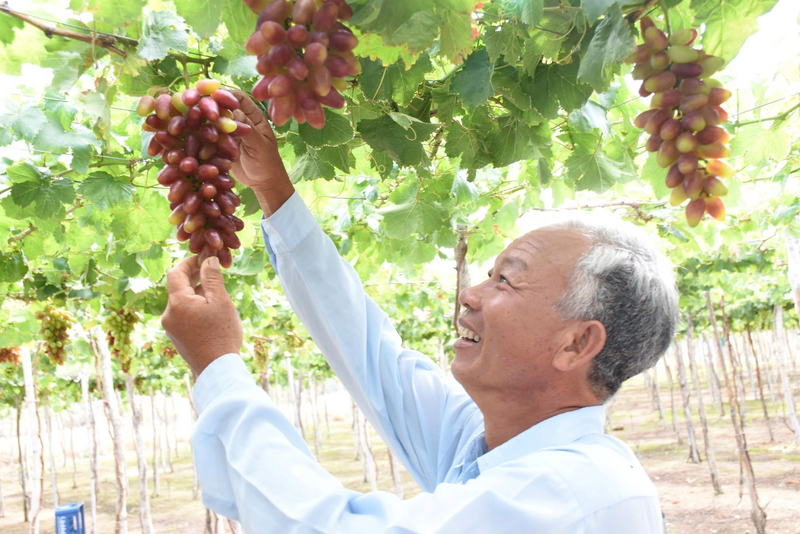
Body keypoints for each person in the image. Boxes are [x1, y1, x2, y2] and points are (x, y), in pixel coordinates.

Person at [162, 93, 679, 533]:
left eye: (505, 280)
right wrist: (273, 190)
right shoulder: (487, 441)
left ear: (577, 343)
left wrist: (218, 366)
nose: (470, 295)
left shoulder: (573, 495)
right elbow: (369, 353)